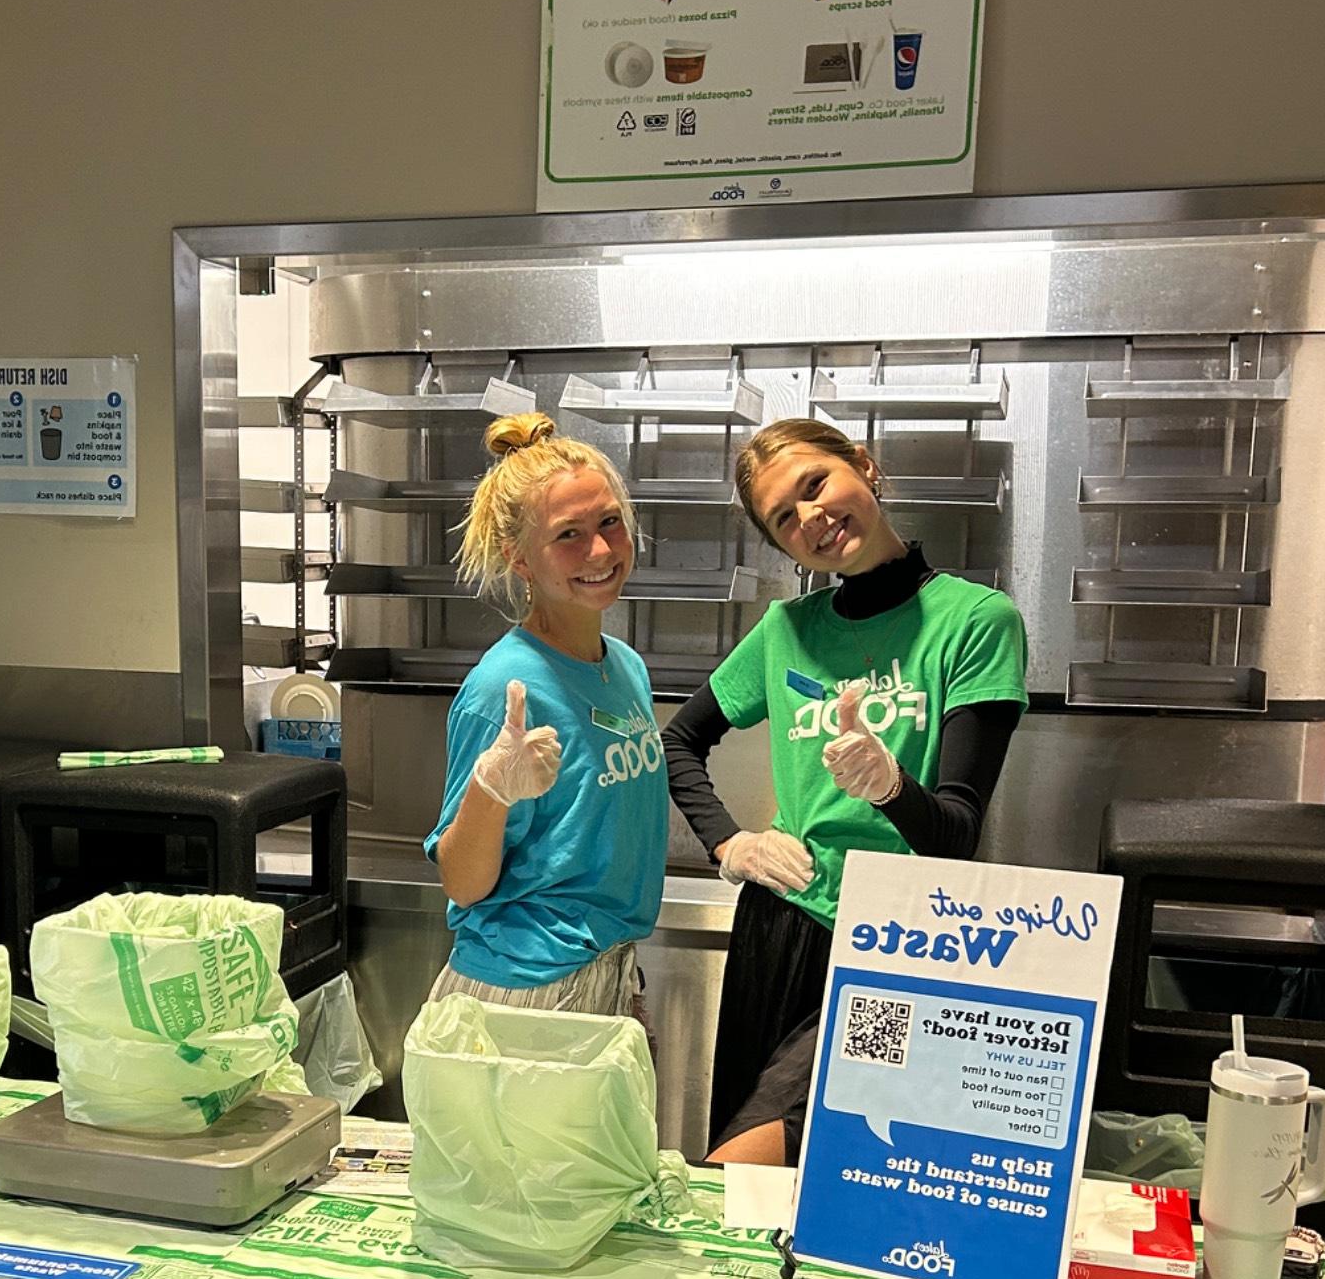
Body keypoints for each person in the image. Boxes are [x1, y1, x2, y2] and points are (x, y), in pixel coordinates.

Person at [664, 416, 1027, 1163]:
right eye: (784, 519)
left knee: (783, 1153)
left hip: (895, 948)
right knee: (757, 1185)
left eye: (815, 485)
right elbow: (679, 742)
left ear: (863, 466)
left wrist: (890, 787)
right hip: (779, 926)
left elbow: (956, 835)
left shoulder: (976, 622)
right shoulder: (785, 630)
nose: (811, 520)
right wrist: (731, 844)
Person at [424, 412, 667, 1014]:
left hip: (605, 966)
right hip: (526, 986)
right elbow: (461, 882)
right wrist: (490, 789)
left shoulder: (626, 667)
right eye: (569, 534)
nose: (602, 550)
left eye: (611, 522)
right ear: (521, 559)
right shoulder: (506, 688)